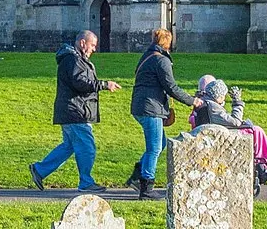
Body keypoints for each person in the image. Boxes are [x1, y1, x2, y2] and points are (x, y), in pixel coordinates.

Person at [28, 29, 120, 191]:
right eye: (92, 45)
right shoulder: (73, 60)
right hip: (76, 111)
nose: (94, 49)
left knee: (69, 146)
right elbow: (80, 83)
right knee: (87, 147)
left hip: (72, 110)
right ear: (82, 43)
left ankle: (40, 170)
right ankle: (86, 182)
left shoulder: (74, 59)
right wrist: (104, 85)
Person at [126, 28, 192, 199]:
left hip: (141, 106)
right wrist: (193, 101)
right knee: (154, 148)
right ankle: (146, 188)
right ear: (168, 42)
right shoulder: (161, 60)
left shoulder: (147, 56)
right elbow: (171, 87)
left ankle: (136, 177)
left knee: (160, 143)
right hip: (150, 108)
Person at [190, 75, 267, 189]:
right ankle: (265, 166)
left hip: (216, 132)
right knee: (257, 131)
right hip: (222, 135)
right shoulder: (213, 107)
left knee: (254, 129)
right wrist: (237, 102)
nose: (224, 99)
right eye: (223, 96)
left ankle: (266, 164)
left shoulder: (204, 102)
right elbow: (236, 122)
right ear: (217, 96)